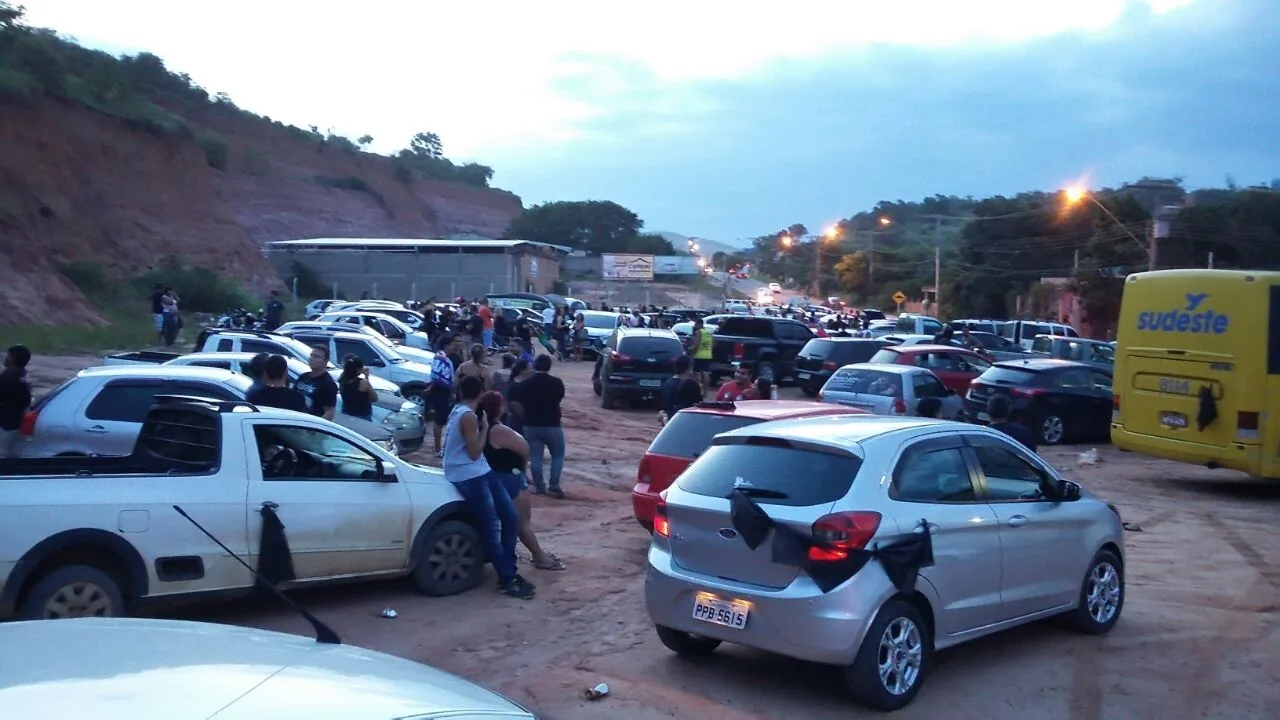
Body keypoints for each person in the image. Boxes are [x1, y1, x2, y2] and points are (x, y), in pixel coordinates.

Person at [443, 376, 535, 599]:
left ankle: (508, 569)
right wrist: (483, 428)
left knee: (511, 518)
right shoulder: (468, 417)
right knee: (493, 524)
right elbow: (474, 452)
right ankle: (506, 577)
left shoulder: (460, 410)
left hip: (479, 471)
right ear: (481, 392)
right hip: (469, 474)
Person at [478, 391, 566, 572]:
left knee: (506, 523)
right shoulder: (499, 429)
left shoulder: (479, 428)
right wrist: (521, 471)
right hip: (510, 478)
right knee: (521, 522)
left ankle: (528, 555)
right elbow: (524, 448)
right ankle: (539, 556)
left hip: (492, 476)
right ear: (499, 408)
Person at [509, 355, 567, 498]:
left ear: (535, 366)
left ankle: (540, 487)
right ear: (549, 366)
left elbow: (516, 402)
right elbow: (559, 399)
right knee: (558, 455)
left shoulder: (525, 384)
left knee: (535, 457)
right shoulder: (557, 382)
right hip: (552, 423)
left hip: (531, 424)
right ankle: (554, 485)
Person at [0, 344, 32, 459]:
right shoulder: (12, 375)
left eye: (8, 355)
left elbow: (22, 403)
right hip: (8, 425)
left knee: (4, 456)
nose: (5, 358)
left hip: (8, 426)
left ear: (13, 358)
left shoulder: (15, 380)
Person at [426, 341, 457, 458]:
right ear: (446, 344)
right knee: (440, 422)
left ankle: (439, 447)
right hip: (442, 393)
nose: (455, 345)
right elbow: (438, 378)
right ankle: (438, 449)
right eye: (453, 343)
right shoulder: (442, 359)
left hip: (441, 393)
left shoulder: (442, 357)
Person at [293, 346, 337, 419]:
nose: (311, 359)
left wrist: (314, 428)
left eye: (316, 357)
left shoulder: (328, 384)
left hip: (310, 424)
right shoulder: (303, 377)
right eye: (311, 355)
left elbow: (329, 413)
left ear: (325, 361)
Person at [659, 354, 703, 425]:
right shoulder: (690, 385)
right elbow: (698, 406)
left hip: (669, 422)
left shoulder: (668, 382)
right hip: (684, 423)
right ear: (689, 367)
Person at [337, 355, 378, 421]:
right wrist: (366, 377)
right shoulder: (363, 383)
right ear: (359, 369)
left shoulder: (342, 382)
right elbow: (374, 398)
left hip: (346, 416)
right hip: (362, 418)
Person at [690, 317, 713, 395]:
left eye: (696, 324)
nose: (695, 326)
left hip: (698, 355)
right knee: (706, 373)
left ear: (699, 324)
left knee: (696, 374)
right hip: (707, 355)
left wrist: (690, 350)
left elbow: (696, 345)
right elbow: (713, 343)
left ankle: (697, 391)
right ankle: (705, 393)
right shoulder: (709, 332)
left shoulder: (698, 332)